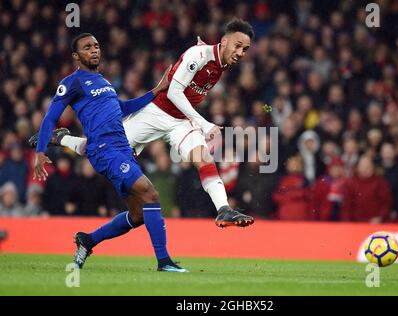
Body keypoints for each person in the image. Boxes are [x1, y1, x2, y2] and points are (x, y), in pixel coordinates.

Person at [31, 19, 256, 228]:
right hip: (154, 112)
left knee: (203, 158)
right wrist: (204, 123)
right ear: (224, 41)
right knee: (101, 148)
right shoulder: (198, 55)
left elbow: (207, 58)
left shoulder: (221, 60)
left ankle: (223, 209)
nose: (240, 53)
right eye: (237, 45)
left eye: (245, 49)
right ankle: (61, 138)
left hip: (181, 121)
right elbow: (174, 93)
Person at [33, 33, 187, 272]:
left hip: (122, 148)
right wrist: (40, 152)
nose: (94, 50)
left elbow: (123, 108)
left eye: (96, 46)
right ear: (76, 56)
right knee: (151, 194)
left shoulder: (105, 82)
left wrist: (156, 90)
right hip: (105, 150)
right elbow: (50, 117)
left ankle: (88, 240)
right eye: (87, 47)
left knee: (138, 215)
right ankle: (164, 262)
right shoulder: (72, 82)